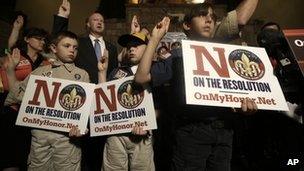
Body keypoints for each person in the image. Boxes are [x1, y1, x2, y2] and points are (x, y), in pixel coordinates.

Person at [135, 1, 259, 170]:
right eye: (202, 15)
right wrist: (155, 39)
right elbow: (141, 78)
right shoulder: (178, 55)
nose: (209, 20)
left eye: (212, 17)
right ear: (187, 25)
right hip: (191, 133)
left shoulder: (227, 55)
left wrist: (246, 106)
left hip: (224, 131)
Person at [4, 31, 89, 171]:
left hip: (67, 141)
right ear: (54, 48)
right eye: (67, 46)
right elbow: (18, 94)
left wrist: (82, 127)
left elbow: (84, 108)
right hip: (39, 140)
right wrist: (10, 71)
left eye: (75, 47)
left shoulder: (82, 74)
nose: (72, 50)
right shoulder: (39, 72)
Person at [97, 15, 156, 171]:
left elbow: (161, 105)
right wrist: (102, 74)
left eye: (136, 45)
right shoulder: (117, 72)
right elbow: (103, 100)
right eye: (129, 46)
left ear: (148, 47)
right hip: (115, 134)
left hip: (142, 135)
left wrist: (147, 123)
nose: (131, 48)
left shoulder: (154, 72)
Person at [0, 22, 49, 171]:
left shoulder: (46, 62)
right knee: (10, 157)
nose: (42, 41)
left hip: (33, 116)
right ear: (27, 39)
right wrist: (15, 28)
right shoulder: (16, 57)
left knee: (27, 156)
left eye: (43, 39)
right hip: (13, 112)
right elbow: (7, 85)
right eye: (38, 38)